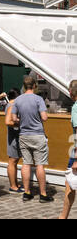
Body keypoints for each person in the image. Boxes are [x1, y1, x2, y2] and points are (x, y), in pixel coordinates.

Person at [11, 75, 54, 203]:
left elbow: (14, 119)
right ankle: (43, 194)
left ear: (24, 87)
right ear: (34, 85)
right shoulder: (38, 99)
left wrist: (22, 121)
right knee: (40, 164)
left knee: (26, 163)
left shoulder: (18, 100)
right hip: (38, 135)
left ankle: (27, 192)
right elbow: (45, 117)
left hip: (24, 135)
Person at [59, 81, 77, 219]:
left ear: (71, 93)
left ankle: (63, 217)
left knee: (70, 186)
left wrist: (76, 158)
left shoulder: (76, 107)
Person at [5, 88, 23, 193]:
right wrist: (20, 123)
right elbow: (8, 121)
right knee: (13, 160)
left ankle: (15, 183)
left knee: (14, 160)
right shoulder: (12, 105)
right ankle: (13, 185)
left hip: (13, 136)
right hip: (14, 137)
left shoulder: (10, 104)